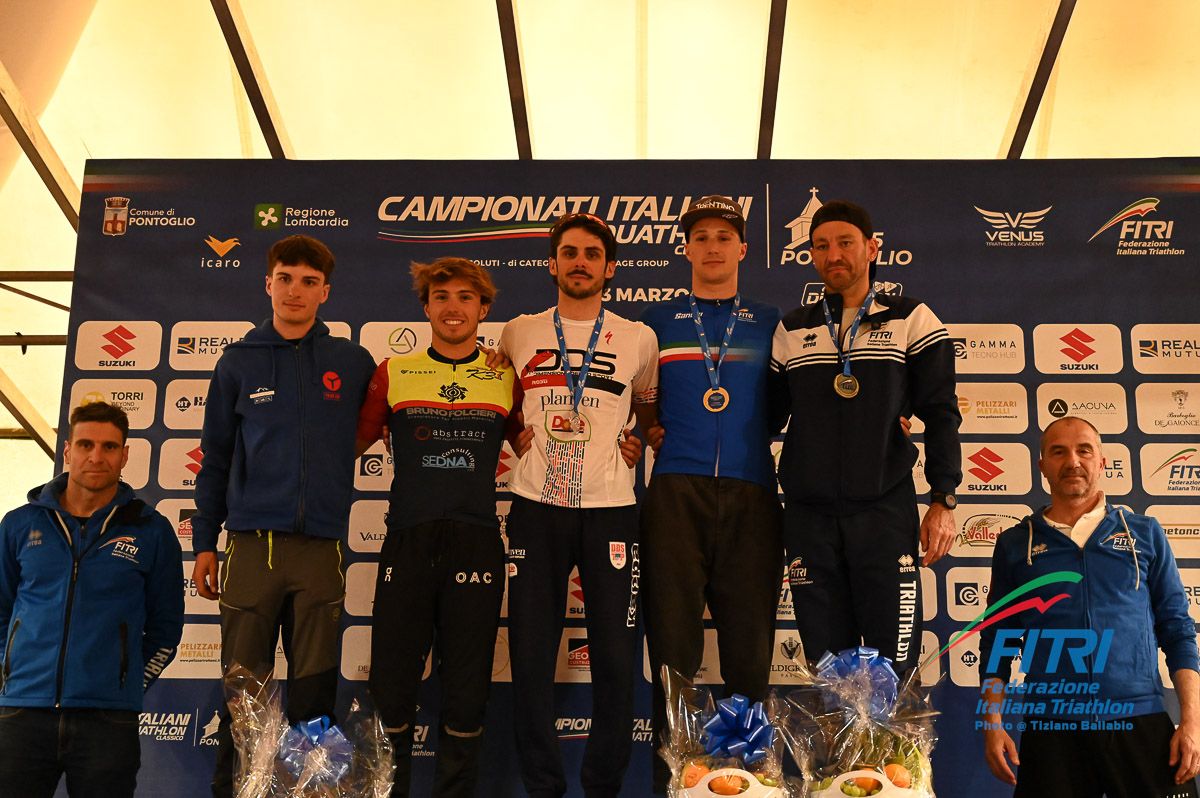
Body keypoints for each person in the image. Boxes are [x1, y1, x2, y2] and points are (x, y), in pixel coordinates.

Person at [190, 234, 376, 797]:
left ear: (326, 292)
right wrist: (204, 542)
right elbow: (215, 458)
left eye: (309, 282)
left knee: (315, 701)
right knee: (243, 698)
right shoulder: (237, 362)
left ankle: (315, 793)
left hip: (321, 551)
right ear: (267, 284)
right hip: (251, 550)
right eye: (285, 279)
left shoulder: (352, 361)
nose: (295, 291)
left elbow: (397, 415)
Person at [500, 212, 658, 798]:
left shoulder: (638, 337)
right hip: (535, 507)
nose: (580, 262)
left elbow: (648, 412)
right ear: (553, 263)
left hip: (611, 508)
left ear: (610, 268)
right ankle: (543, 786)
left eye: (592, 254)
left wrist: (636, 440)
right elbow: (497, 400)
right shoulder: (518, 332)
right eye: (569, 252)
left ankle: (602, 786)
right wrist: (513, 434)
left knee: (616, 658)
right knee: (530, 657)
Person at [771, 199, 961, 674]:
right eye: (821, 246)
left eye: (845, 243)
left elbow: (941, 413)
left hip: (884, 513)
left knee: (894, 665)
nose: (833, 255)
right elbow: (764, 419)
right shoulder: (792, 328)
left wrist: (943, 499)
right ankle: (838, 731)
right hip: (809, 519)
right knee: (827, 666)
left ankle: (892, 730)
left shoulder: (912, 318)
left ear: (873, 248)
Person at [355, 257, 517, 797]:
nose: (453, 307)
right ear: (426, 307)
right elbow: (348, 444)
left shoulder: (505, 375)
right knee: (392, 688)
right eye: (441, 296)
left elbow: (540, 445)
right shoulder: (393, 371)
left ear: (483, 309)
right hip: (409, 538)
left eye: (466, 297)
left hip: (477, 542)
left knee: (467, 693)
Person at [638, 195, 783, 793]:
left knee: (749, 654)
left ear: (743, 248)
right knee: (673, 655)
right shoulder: (657, 324)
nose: (713, 246)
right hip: (676, 492)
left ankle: (749, 783)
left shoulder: (774, 323)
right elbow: (633, 397)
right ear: (687, 249)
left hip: (752, 493)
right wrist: (646, 429)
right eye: (701, 237)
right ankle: (675, 783)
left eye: (724, 237)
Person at [979, 416, 1200, 796]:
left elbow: (1178, 630)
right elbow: (998, 641)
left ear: (1102, 461)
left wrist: (1192, 722)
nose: (1072, 461)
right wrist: (992, 723)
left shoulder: (1144, 533)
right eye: (1058, 452)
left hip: (1139, 720)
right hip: (1053, 729)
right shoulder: (1016, 544)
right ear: (1042, 465)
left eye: (1084, 450)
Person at [0, 401, 184, 797]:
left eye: (109, 447)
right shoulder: (19, 524)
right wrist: (10, 673)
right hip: (22, 714)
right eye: (86, 445)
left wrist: (125, 683)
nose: (96, 457)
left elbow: (166, 630)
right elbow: (1, 610)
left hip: (108, 722)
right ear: (68, 450)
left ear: (125, 455)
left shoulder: (152, 531)